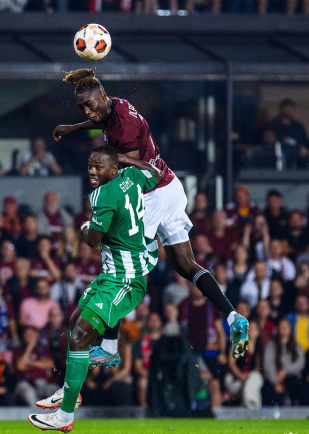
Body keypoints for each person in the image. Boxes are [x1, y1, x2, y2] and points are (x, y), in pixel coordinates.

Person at [52, 68, 249, 365]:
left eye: (90, 105)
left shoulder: (124, 127)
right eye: (83, 107)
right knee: (186, 265)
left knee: (118, 256)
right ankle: (234, 316)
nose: (88, 111)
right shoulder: (113, 105)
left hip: (153, 194)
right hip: (169, 185)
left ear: (102, 96)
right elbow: (101, 121)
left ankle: (108, 346)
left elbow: (128, 164)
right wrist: (73, 127)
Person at [29, 146, 161, 431]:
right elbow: (157, 173)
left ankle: (64, 418)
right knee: (75, 320)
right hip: (112, 274)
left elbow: (91, 240)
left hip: (126, 278)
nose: (92, 171)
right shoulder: (132, 176)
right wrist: (124, 159)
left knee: (78, 337)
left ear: (112, 170)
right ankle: (73, 387)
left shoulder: (103, 195)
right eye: (91, 166)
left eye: (99, 167)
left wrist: (83, 227)